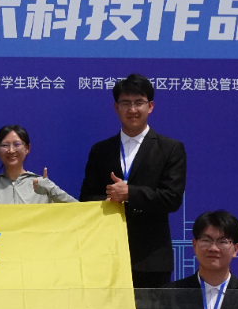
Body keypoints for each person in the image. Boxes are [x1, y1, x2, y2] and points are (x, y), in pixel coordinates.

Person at [79, 73, 186, 290]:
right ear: (116, 107)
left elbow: (172, 199)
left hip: (151, 257)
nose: (132, 109)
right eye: (126, 103)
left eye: (139, 102)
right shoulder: (100, 150)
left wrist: (130, 193)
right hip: (107, 254)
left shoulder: (170, 149)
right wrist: (110, 200)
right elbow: (86, 198)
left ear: (150, 106)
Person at [0, 125, 77, 204]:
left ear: (27, 148)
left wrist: (52, 190)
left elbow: (78, 211)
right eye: (5, 145)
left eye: (17, 144)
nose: (11, 150)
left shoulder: (41, 184)